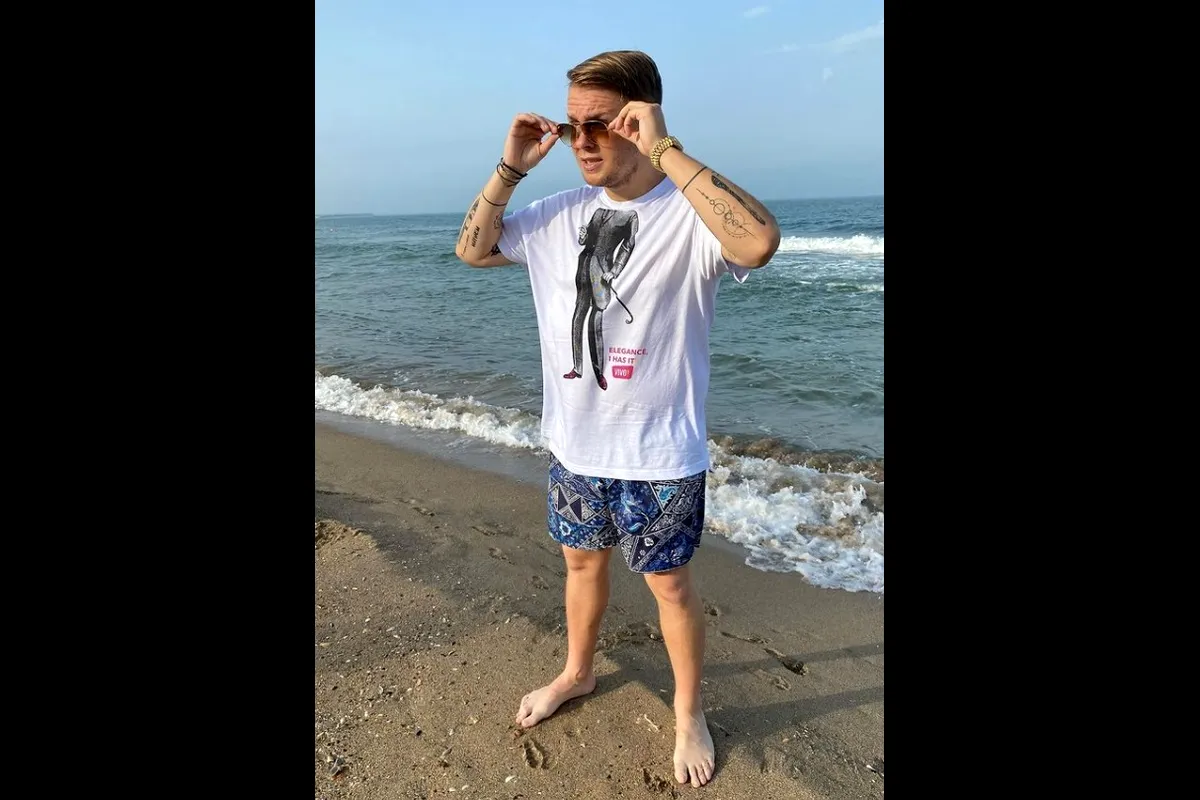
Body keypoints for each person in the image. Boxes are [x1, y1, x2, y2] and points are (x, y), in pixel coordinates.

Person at [454, 49, 780, 789]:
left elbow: (758, 242)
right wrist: (510, 167)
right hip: (575, 447)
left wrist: (666, 150)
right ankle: (578, 671)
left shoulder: (689, 216)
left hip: (660, 455)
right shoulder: (557, 215)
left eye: (600, 124)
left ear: (640, 118)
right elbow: (472, 250)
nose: (583, 141)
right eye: (573, 126)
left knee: (669, 585)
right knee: (580, 562)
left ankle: (689, 713)